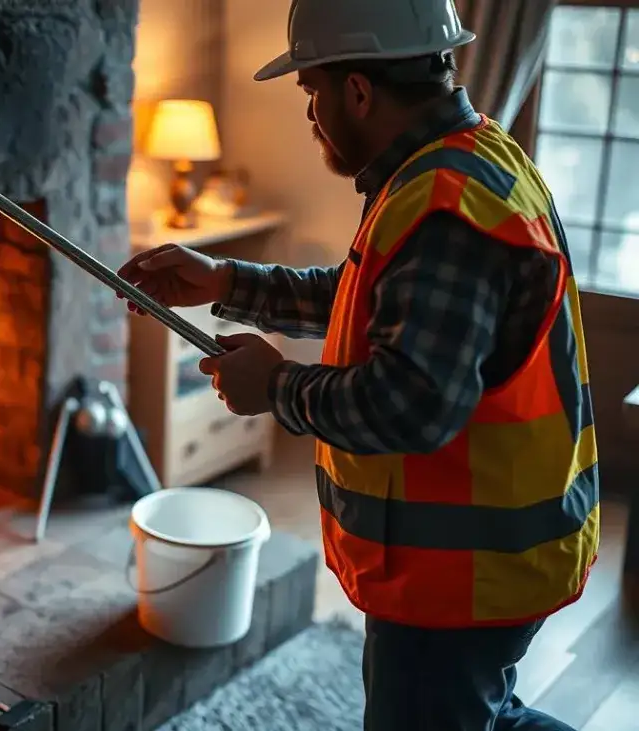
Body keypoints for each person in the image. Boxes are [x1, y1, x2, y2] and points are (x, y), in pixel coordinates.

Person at [117, 1, 599, 729]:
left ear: (360, 91)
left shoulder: (445, 208)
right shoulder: (468, 160)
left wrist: (274, 386)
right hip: (481, 559)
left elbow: (412, 404)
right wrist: (224, 281)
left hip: (462, 574)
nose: (310, 115)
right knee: (483, 713)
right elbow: (368, 301)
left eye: (311, 91)